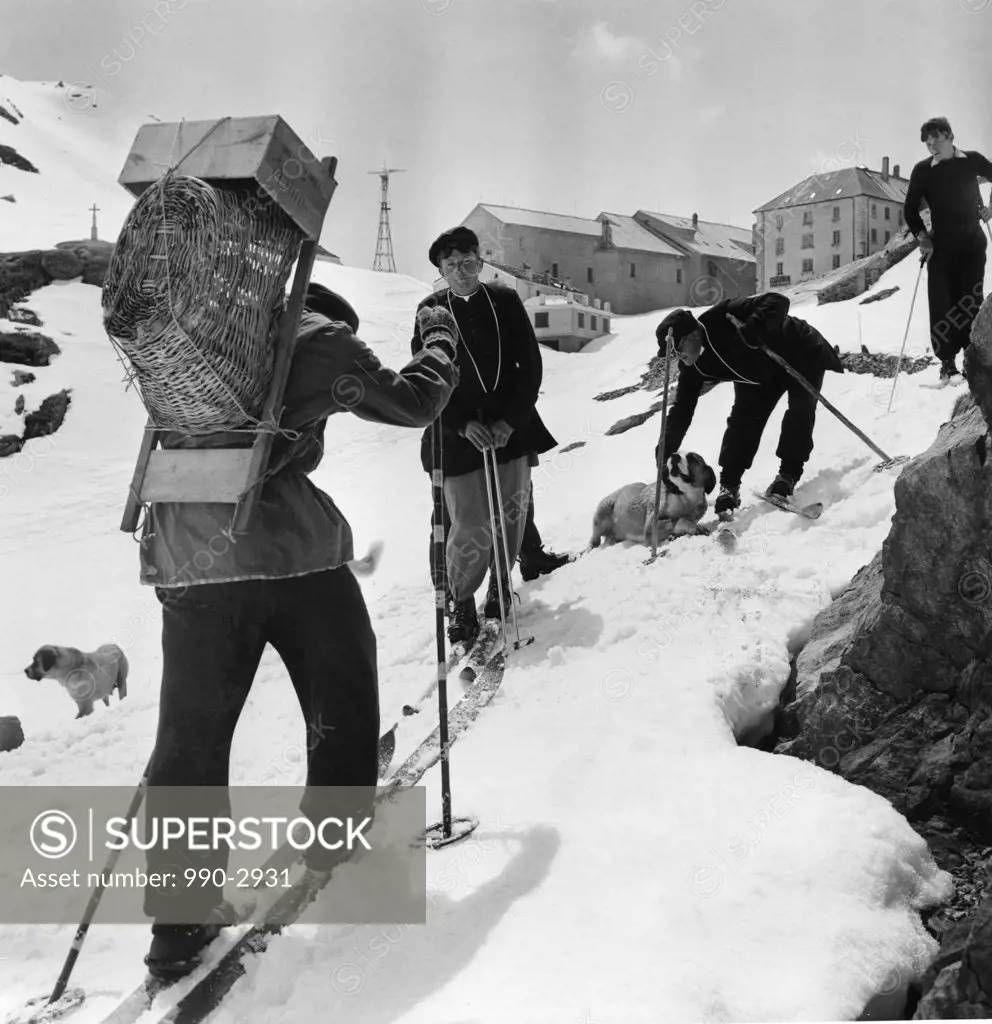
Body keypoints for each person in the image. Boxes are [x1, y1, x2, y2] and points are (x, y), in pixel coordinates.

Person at [135, 281, 460, 978]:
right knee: (340, 687)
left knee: (189, 740)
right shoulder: (318, 341)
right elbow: (411, 401)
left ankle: (176, 922)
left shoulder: (192, 341)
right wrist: (439, 342)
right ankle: (333, 836)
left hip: (186, 555)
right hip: (283, 550)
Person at [412, 225, 557, 647]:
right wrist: (461, 424)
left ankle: (500, 582)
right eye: (452, 265)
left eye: (469, 262)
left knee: (511, 514)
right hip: (458, 434)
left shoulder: (505, 300)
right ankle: (461, 601)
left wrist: (509, 421)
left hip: (510, 426)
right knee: (470, 523)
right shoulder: (430, 309)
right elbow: (428, 375)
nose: (462, 271)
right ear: (441, 268)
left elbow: (529, 366)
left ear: (481, 260)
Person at [653, 292, 843, 517]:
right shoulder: (692, 369)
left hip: (798, 351)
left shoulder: (723, 315)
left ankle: (788, 475)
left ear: (692, 334)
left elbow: (778, 300)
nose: (678, 357)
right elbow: (681, 411)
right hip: (758, 376)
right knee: (742, 421)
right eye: (671, 355)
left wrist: (753, 328)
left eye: (677, 350)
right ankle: (730, 486)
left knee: (800, 412)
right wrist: (665, 451)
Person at [904, 116, 992, 383]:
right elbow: (909, 209)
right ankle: (946, 364)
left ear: (950, 137)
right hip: (941, 246)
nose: (932, 147)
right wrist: (923, 238)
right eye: (928, 144)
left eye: (937, 141)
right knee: (943, 302)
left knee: (971, 300)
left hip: (972, 243)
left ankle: (972, 359)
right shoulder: (923, 170)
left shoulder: (972, 160)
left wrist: (990, 207)